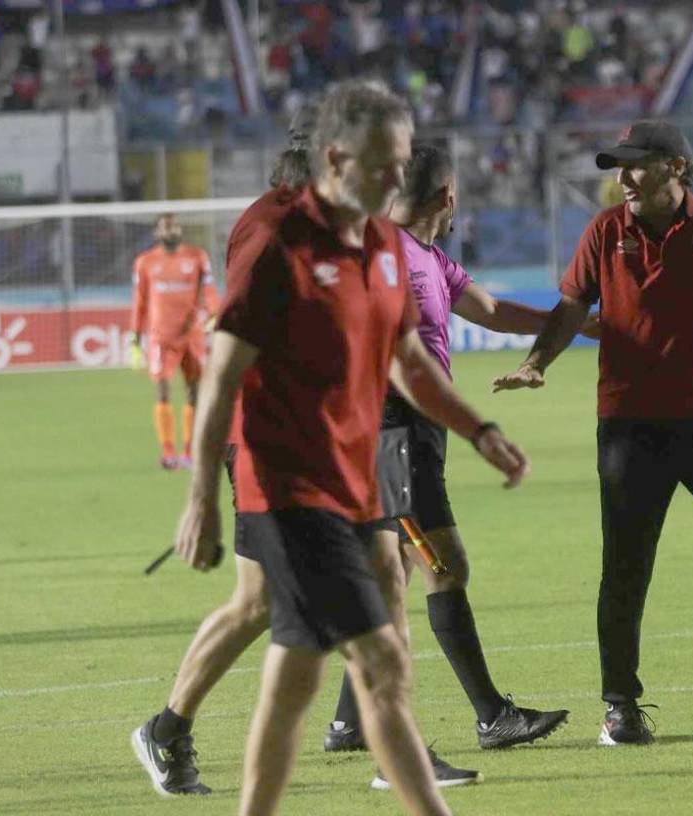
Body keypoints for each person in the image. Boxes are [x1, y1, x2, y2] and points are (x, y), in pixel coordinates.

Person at [161, 81, 528, 816]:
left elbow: (408, 365)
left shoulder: (387, 248)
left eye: (401, 164)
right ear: (334, 158)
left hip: (355, 479)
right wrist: (201, 496)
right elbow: (222, 378)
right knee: (379, 660)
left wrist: (478, 429)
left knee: (298, 674)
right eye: (382, 164)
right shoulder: (276, 245)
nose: (399, 179)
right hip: (287, 485)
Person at [493, 120, 693, 745]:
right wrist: (536, 363)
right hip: (629, 429)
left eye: (633, 166)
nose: (621, 179)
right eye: (618, 167)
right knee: (626, 569)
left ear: (675, 166)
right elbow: (569, 309)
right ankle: (619, 705)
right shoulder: (604, 231)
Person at [323, 144, 571, 788]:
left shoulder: (428, 257)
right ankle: (491, 716)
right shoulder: (392, 257)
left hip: (416, 432)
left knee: (398, 570)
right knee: (443, 567)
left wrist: (572, 326)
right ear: (448, 196)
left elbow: (488, 312)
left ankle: (350, 723)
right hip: (394, 430)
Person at [127, 214, 219, 470]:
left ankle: (189, 452)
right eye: (166, 228)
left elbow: (209, 289)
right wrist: (135, 337)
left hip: (192, 334)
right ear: (158, 233)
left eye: (175, 226)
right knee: (163, 389)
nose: (171, 231)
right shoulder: (145, 262)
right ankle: (168, 452)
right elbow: (140, 301)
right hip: (161, 337)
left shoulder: (197, 257)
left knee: (195, 392)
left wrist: (214, 313)